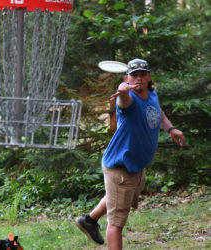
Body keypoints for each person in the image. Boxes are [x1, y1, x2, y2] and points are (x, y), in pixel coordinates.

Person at [75, 58, 185, 250]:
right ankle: (91, 222)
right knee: (116, 224)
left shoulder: (152, 93)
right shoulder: (128, 98)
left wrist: (170, 128)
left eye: (143, 74)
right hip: (120, 168)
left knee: (118, 197)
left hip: (136, 168)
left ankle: (89, 221)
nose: (139, 78)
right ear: (127, 78)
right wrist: (124, 92)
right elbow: (123, 102)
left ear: (149, 76)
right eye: (134, 75)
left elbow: (157, 111)